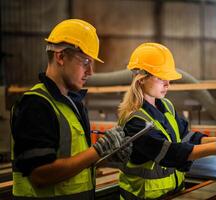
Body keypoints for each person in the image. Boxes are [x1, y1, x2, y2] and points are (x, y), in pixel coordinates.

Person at [10, 19, 130, 199]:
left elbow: (74, 160)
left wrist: (106, 155)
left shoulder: (73, 103)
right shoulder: (36, 104)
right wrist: (96, 151)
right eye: (86, 62)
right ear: (60, 57)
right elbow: (40, 175)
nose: (90, 72)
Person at [117, 42, 216, 199]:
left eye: (168, 78)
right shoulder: (135, 120)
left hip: (172, 193)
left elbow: (186, 137)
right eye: (161, 77)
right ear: (141, 78)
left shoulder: (166, 106)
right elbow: (171, 154)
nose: (167, 84)